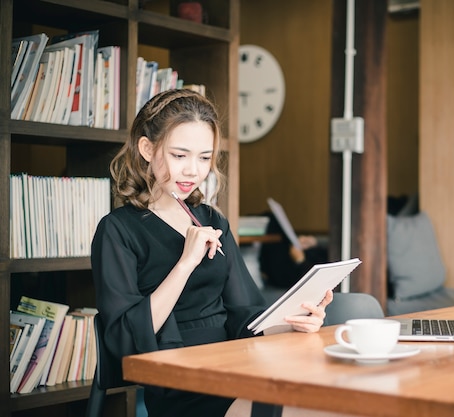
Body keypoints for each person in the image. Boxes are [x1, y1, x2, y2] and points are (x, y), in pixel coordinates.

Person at [91, 89, 334, 417]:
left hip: (235, 364)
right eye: (180, 155)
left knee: (333, 401)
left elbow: (245, 315)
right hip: (181, 382)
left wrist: (294, 321)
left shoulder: (212, 220)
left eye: (204, 158)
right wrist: (185, 263)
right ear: (147, 149)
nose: (194, 170)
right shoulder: (117, 230)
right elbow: (123, 339)